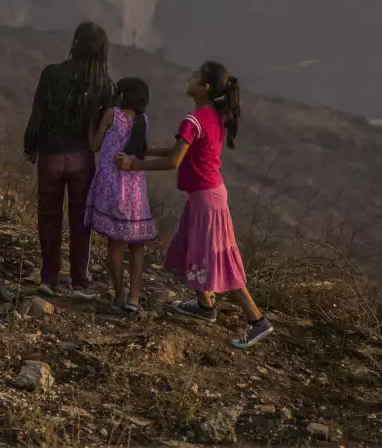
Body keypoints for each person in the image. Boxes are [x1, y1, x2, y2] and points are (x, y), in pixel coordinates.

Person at [116, 60, 273, 349]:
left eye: (194, 76)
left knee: (218, 258)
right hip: (209, 195)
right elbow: (187, 152)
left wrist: (134, 164)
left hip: (206, 200)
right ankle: (204, 306)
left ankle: (256, 320)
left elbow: (175, 161)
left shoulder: (193, 120)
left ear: (205, 87)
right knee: (192, 247)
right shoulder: (214, 116)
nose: (188, 78)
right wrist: (152, 151)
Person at [24, 21, 114, 299]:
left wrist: (30, 146)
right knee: (80, 221)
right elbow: (103, 127)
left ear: (75, 42)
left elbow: (37, 113)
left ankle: (49, 278)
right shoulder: (104, 85)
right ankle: (79, 283)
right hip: (81, 158)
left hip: (50, 155)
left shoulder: (52, 74)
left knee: (49, 217)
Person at [86, 76, 159, 313]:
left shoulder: (112, 114)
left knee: (115, 244)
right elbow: (143, 151)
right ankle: (133, 298)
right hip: (135, 190)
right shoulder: (143, 121)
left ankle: (118, 294)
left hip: (111, 187)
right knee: (137, 245)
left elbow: (95, 146)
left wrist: (90, 123)